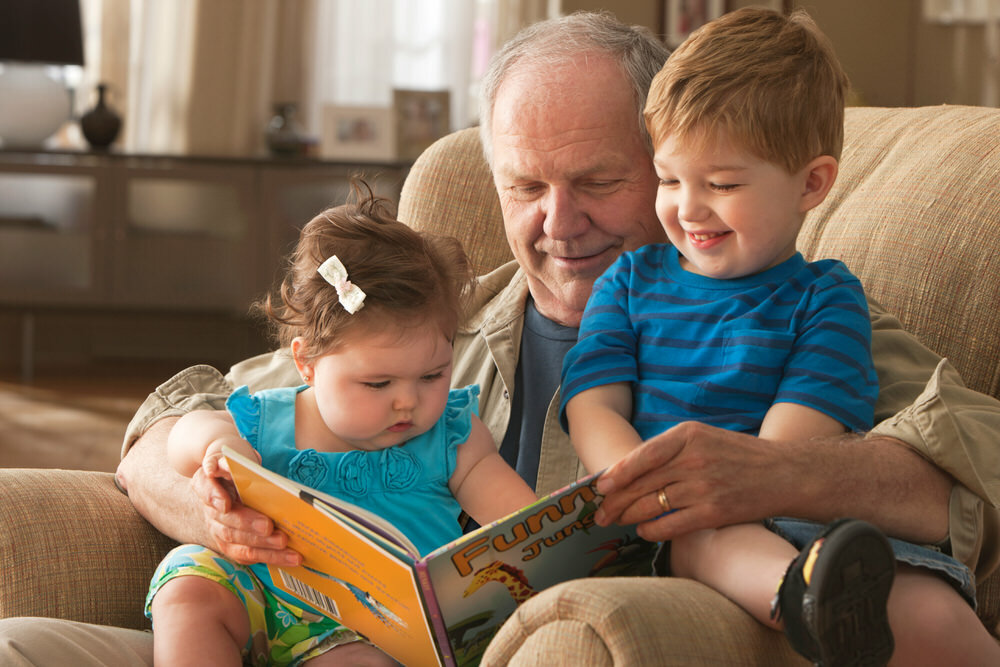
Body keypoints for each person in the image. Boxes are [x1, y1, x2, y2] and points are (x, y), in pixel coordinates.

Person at [3, 10, 1000, 666]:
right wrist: (219, 509)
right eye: (525, 186)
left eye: (598, 182)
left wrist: (777, 475)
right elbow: (167, 424)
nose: (557, 223)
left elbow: (971, 455)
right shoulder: (434, 329)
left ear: (676, 166)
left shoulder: (789, 301)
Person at [560, 9, 997, 665]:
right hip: (668, 524)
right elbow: (592, 401)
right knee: (707, 534)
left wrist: (737, 484)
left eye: (723, 184)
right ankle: (801, 600)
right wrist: (639, 483)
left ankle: (831, 597)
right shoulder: (627, 282)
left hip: (795, 513)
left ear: (812, 183)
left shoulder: (827, 297)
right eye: (671, 179)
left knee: (934, 613)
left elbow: (788, 450)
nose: (688, 207)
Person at [146, 181, 537, 666]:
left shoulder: (453, 435)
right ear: (306, 363)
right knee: (186, 583)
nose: (408, 403)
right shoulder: (270, 419)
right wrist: (220, 447)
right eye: (378, 384)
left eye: (433, 375)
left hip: (375, 629)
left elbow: (525, 528)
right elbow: (184, 433)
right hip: (265, 598)